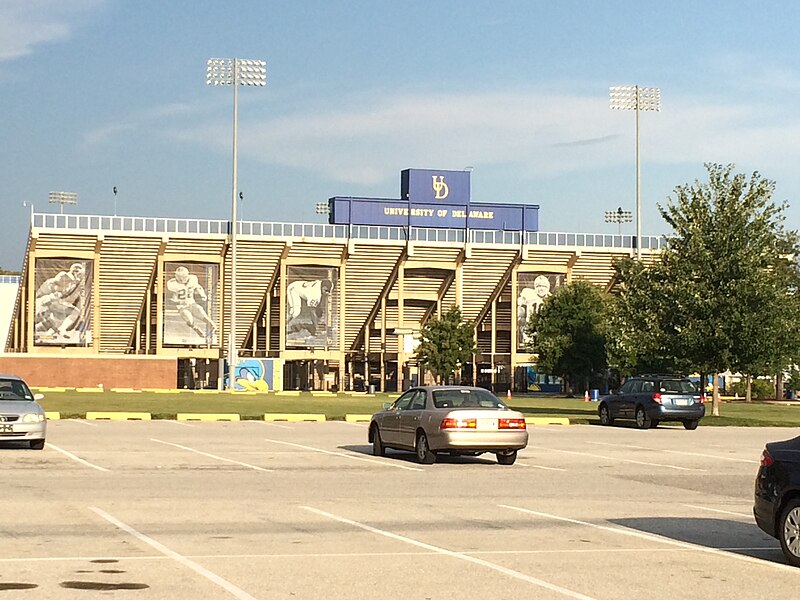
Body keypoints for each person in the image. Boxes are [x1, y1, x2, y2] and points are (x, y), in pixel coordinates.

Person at [35, 262, 86, 341]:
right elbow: (54, 282)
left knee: (71, 314)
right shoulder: (64, 275)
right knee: (37, 317)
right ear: (75, 271)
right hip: (47, 299)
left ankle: (53, 333)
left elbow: (66, 295)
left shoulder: (74, 284)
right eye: (79, 274)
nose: (80, 276)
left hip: (56, 302)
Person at [166, 266, 217, 340]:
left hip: (192, 304)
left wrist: (202, 294)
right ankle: (196, 328)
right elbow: (170, 296)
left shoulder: (192, 279)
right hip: (182, 307)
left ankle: (214, 328)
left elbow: (198, 287)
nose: (181, 278)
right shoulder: (172, 283)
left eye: (183, 276)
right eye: (179, 276)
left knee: (202, 313)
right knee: (189, 320)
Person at [517, 275, 552, 345]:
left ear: (548, 288)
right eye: (539, 286)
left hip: (545, 326)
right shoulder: (529, 294)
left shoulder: (550, 298)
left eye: (544, 286)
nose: (541, 289)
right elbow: (520, 305)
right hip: (530, 324)